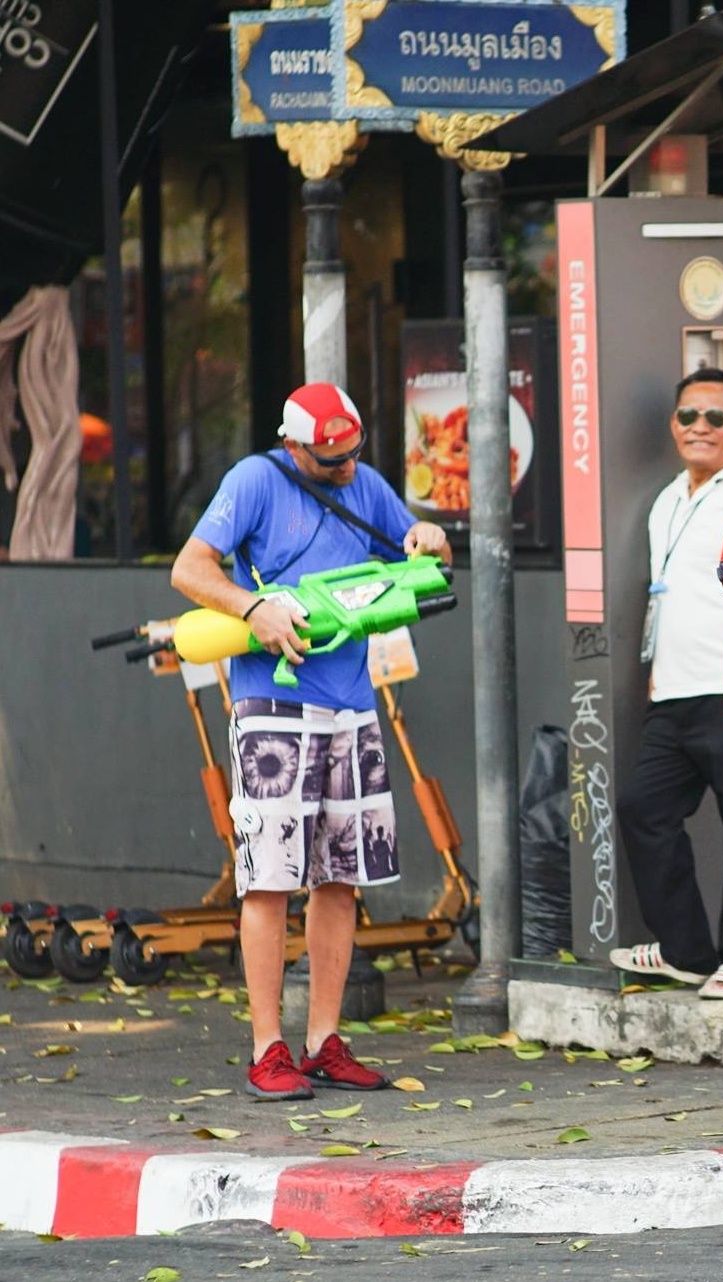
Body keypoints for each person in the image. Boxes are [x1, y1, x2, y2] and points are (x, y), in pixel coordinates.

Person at [171, 383, 451, 1101]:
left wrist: (429, 538)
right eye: (329, 461)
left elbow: (422, 544)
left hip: (353, 705)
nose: (345, 468)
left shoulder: (367, 482)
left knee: (340, 875)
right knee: (268, 876)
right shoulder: (255, 480)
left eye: (353, 452)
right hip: (273, 705)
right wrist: (253, 606)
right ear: (294, 446)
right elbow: (190, 569)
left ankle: (324, 1040)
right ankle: (269, 1047)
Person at [611, 369, 723, 998]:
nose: (700, 428)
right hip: (672, 694)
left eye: (715, 418)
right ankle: (686, 950)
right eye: (688, 416)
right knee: (641, 808)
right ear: (673, 426)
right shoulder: (667, 500)